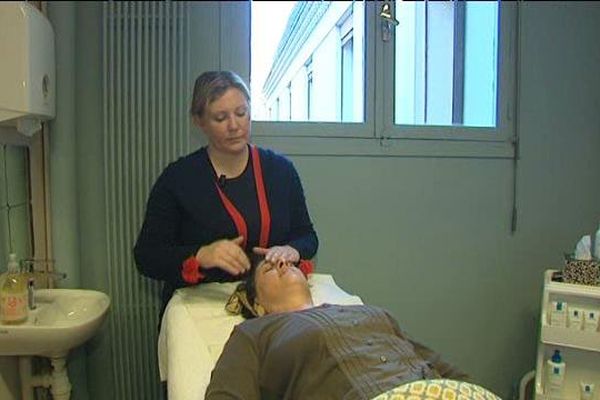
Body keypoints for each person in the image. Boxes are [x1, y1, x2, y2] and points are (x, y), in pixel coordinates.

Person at [133, 70, 319, 315]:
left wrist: (293, 250)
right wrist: (200, 255)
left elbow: (307, 236)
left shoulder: (281, 170)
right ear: (199, 121)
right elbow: (147, 256)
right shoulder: (178, 179)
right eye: (220, 118)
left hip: (275, 304)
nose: (234, 126)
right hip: (203, 307)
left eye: (241, 113)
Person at [205, 254, 469, 400]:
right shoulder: (256, 333)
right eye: (269, 268)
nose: (283, 263)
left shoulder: (372, 313)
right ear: (257, 304)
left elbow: (442, 367)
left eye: (287, 262)